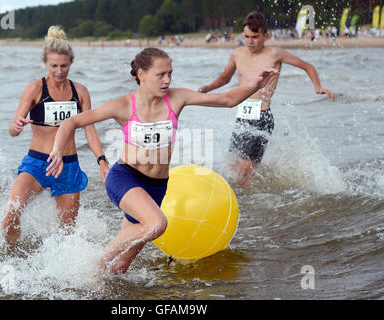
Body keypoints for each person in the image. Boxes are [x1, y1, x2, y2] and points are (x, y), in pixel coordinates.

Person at [45, 47, 279, 274]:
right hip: (125, 177)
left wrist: (255, 86)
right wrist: (57, 150)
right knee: (157, 224)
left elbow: (227, 100)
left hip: (157, 187)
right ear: (141, 75)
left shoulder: (176, 98)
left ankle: (100, 285)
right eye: (161, 74)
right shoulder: (124, 105)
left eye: (170, 73)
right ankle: (95, 263)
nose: (167, 80)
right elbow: (71, 123)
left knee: (122, 266)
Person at [198, 11, 335, 189]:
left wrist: (318, 87)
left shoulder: (274, 54)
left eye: (255, 37)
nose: (250, 41)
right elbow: (225, 78)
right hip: (242, 118)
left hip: (262, 119)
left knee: (243, 175)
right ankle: (257, 194)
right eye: (247, 36)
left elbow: (307, 66)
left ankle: (249, 206)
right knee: (232, 169)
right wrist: (207, 89)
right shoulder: (237, 54)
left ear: (266, 36)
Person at [2, 26, 110, 245]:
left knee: (66, 235)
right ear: (45, 64)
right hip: (37, 163)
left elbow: (89, 129)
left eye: (64, 65)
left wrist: (101, 160)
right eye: (54, 66)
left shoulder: (80, 91)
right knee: (11, 215)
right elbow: (12, 131)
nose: (59, 71)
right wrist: (17, 125)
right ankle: (11, 258)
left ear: (71, 63)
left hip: (68, 166)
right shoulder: (34, 89)